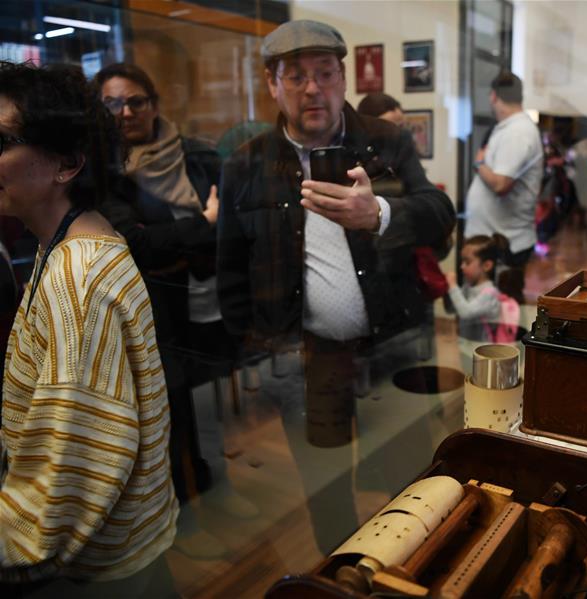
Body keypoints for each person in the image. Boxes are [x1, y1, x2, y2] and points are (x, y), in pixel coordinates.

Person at [216, 19, 454, 551]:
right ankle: (341, 575)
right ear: (272, 85)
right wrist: (254, 352)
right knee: (326, 487)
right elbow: (230, 267)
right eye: (295, 76)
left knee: (407, 478)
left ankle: (412, 568)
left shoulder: (386, 142)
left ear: (343, 78)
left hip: (392, 345)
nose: (312, 88)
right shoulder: (246, 164)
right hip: (307, 358)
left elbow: (440, 213)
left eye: (324, 73)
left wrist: (380, 213)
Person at [0, 62, 177, 593]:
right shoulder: (70, 239)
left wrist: (13, 540)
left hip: (101, 571)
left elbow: (74, 467)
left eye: (1, 140)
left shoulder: (77, 279)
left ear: (67, 163)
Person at [94, 63, 253, 559]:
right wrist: (202, 225)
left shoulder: (195, 154)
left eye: (135, 101)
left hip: (211, 298)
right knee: (171, 416)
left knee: (209, 409)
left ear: (154, 104)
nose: (125, 113)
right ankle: (184, 515)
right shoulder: (105, 171)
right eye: (112, 104)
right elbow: (135, 242)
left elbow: (230, 219)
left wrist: (198, 234)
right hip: (159, 309)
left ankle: (215, 493)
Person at [464, 71, 542, 282]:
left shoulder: (518, 132)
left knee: (501, 311)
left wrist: (479, 163)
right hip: (494, 238)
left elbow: (500, 183)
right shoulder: (508, 128)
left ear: (493, 96)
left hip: (506, 243)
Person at [445, 234, 508, 341]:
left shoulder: (490, 294)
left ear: (486, 265)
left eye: (467, 262)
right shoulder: (468, 287)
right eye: (462, 262)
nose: (462, 266)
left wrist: (453, 286)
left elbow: (465, 313)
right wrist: (446, 291)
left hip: (483, 351)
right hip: (467, 346)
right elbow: (452, 310)